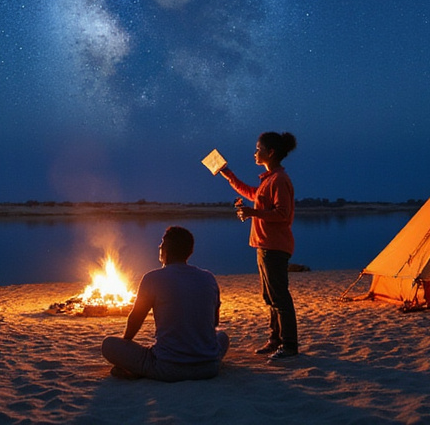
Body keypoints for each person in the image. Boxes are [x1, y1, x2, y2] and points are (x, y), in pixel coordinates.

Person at [101, 226, 230, 381]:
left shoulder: (152, 278)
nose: (159, 247)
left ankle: (137, 371)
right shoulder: (208, 278)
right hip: (209, 368)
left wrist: (126, 343)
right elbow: (214, 323)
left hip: (168, 368)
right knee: (222, 337)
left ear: (166, 250)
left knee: (108, 345)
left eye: (161, 244)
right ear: (190, 251)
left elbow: (136, 318)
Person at [217, 131, 298, 361]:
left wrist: (253, 212)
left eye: (258, 149)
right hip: (264, 246)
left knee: (279, 297)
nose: (255, 153)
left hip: (275, 246)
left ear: (270, 153)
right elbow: (252, 193)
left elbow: (282, 214)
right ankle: (275, 340)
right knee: (269, 296)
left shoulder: (280, 180)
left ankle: (289, 345)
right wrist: (228, 174)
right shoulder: (270, 179)